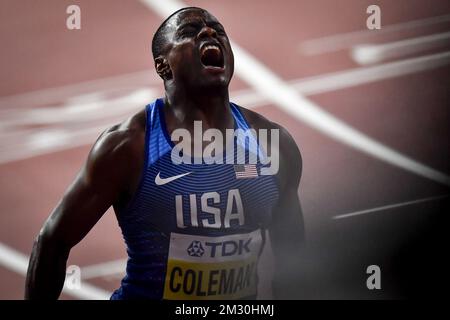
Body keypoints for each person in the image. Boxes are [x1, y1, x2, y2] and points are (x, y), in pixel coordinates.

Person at [25, 7, 304, 300]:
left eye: (218, 30)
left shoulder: (272, 145)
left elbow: (294, 260)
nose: (209, 33)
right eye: (188, 32)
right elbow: (51, 242)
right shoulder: (128, 147)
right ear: (163, 67)